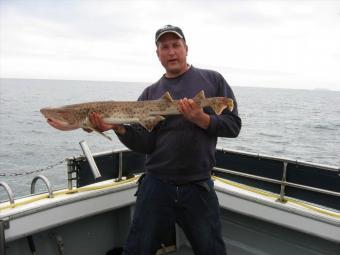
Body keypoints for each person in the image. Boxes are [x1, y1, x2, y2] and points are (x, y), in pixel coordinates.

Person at [48, 24, 241, 255]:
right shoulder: (150, 94)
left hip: (198, 186)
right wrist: (118, 127)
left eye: (175, 45)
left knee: (212, 251)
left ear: (186, 48)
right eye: (164, 47)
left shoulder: (212, 80)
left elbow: (233, 126)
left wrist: (202, 119)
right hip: (156, 186)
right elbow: (145, 144)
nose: (171, 52)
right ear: (157, 53)